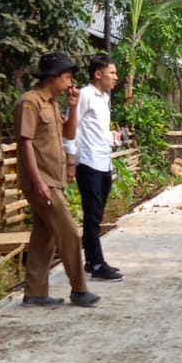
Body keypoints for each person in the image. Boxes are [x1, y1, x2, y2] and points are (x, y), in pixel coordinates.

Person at [14, 53, 100, 309]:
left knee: (45, 237)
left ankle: (35, 293)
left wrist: (73, 108)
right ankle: (79, 289)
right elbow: (25, 144)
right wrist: (38, 181)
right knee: (70, 233)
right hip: (42, 182)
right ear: (53, 77)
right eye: (67, 77)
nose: (70, 83)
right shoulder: (29, 103)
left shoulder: (51, 103)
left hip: (54, 180)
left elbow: (68, 133)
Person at [62, 54, 124, 281]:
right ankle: (96, 264)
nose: (115, 77)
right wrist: (71, 161)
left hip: (103, 161)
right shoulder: (84, 96)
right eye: (112, 72)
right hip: (88, 162)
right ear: (98, 74)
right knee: (92, 214)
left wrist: (112, 137)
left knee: (96, 214)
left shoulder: (103, 98)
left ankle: (91, 261)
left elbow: (97, 130)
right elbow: (71, 129)